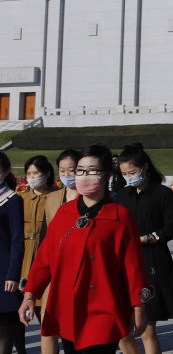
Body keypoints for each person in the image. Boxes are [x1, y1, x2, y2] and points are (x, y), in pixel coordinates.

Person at [20, 143, 148, 354]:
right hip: (67, 308)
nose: (83, 176)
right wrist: (30, 295)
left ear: (106, 175)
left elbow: (133, 267)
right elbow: (45, 259)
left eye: (91, 171)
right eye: (80, 170)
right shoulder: (64, 214)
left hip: (104, 308)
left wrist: (139, 306)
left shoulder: (120, 216)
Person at [116, 144, 173, 354]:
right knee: (122, 328)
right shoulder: (121, 196)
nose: (128, 177)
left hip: (152, 260)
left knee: (147, 329)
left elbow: (172, 227)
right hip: (124, 262)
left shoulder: (161, 193)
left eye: (132, 172)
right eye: (124, 173)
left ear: (144, 167)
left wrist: (148, 238)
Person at [40, 149, 82, 354]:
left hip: (82, 270)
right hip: (55, 271)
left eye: (71, 170)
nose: (66, 174)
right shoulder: (53, 198)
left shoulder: (90, 197)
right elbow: (45, 237)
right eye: (62, 170)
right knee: (49, 325)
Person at [19, 155, 56, 286]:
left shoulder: (57, 197)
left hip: (46, 252)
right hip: (24, 254)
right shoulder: (21, 199)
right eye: (29, 174)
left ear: (47, 173)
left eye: (36, 173)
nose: (32, 177)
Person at [0, 154, 24, 354]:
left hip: (3, 271)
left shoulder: (12, 200)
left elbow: (17, 239)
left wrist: (12, 273)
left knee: (4, 328)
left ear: (5, 172)